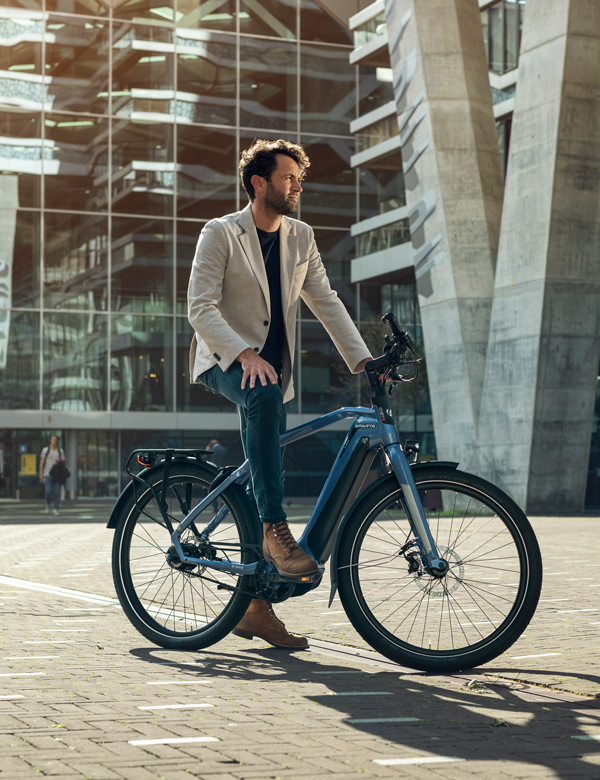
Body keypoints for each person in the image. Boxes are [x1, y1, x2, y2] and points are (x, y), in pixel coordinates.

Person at [188, 139, 372, 649]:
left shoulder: (302, 236)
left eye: (299, 178)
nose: (297, 186)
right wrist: (243, 353)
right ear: (258, 183)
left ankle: (253, 604)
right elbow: (200, 308)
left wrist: (362, 359)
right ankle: (273, 531)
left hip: (273, 372)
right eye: (289, 178)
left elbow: (326, 300)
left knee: (269, 447)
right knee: (263, 400)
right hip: (225, 360)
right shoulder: (222, 233)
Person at [40, 435, 66, 516]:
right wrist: (41, 473)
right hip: (47, 474)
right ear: (50, 440)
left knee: (57, 493)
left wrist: (59, 463)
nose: (54, 441)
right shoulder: (46, 450)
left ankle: (56, 508)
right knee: (48, 491)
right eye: (53, 439)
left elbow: (63, 461)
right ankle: (48, 504)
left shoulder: (60, 451)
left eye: (56, 439)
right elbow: (42, 462)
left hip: (57, 475)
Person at [205, 439, 229, 513]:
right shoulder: (224, 449)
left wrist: (207, 449)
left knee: (212, 489)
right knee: (222, 489)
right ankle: (223, 504)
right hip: (223, 471)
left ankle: (215, 508)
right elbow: (228, 458)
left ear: (211, 444)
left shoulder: (211, 449)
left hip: (213, 471)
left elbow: (203, 458)